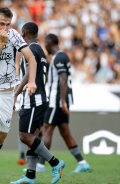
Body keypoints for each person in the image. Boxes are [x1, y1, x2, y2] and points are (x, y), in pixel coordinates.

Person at [0, 7, 38, 184]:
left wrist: (31, 81)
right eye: (1, 24)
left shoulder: (15, 35)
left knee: (1, 137)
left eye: (8, 24)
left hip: (8, 94)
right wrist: (1, 43)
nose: (5, 28)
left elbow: (31, 57)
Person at [10, 22, 65, 184]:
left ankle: (55, 163)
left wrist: (16, 93)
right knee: (31, 138)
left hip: (33, 99)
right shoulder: (39, 49)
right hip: (38, 98)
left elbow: (28, 73)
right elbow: (43, 74)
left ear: (24, 32)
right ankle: (30, 176)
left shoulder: (31, 49)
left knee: (25, 136)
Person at [41, 33, 90, 173]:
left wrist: (62, 101)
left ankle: (39, 165)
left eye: (45, 44)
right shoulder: (61, 56)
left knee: (47, 129)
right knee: (65, 131)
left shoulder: (59, 57)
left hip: (56, 101)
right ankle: (82, 162)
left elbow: (63, 79)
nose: (45, 47)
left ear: (49, 43)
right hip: (61, 100)